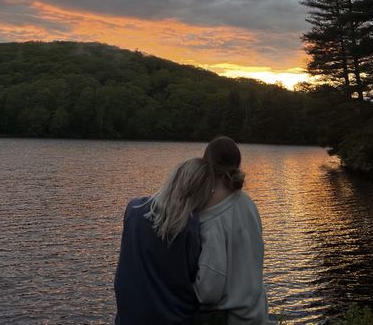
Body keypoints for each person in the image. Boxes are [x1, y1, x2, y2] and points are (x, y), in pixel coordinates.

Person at [114, 157, 214, 325]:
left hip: (129, 317)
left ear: (174, 177)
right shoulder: (191, 227)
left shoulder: (133, 210)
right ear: (201, 193)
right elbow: (196, 277)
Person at [194, 136, 268, 325]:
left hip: (231, 320)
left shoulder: (211, 217)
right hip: (257, 314)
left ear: (206, 165)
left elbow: (208, 291)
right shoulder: (248, 205)